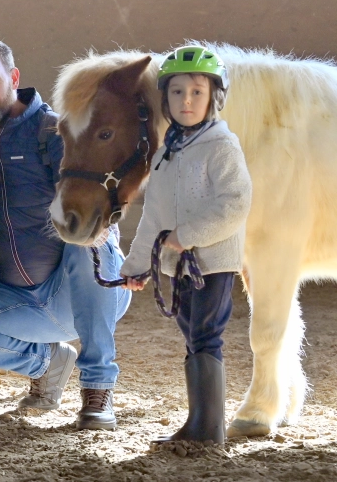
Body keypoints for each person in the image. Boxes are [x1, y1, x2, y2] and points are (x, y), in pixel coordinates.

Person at [0, 36, 132, 430]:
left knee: (88, 244)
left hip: (78, 294)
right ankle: (47, 362)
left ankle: (98, 390)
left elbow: (97, 197)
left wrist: (99, 224)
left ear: (13, 76)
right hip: (12, 300)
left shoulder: (56, 132)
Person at [118, 46, 251, 446]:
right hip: (179, 264)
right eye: (177, 92)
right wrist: (136, 264)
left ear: (214, 97)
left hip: (211, 261)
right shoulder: (165, 156)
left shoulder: (222, 147)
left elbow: (235, 204)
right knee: (192, 332)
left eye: (196, 91)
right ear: (166, 98)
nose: (186, 100)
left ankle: (208, 429)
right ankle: (199, 422)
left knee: (206, 333)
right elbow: (154, 218)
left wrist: (188, 235)